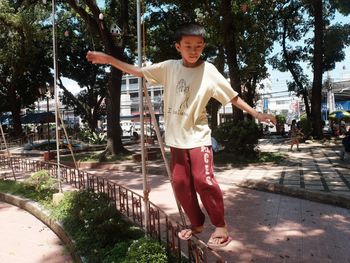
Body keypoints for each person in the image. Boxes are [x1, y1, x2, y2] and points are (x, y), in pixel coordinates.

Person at [86, 23, 276, 249]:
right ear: (178, 47)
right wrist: (108, 59)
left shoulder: (209, 71)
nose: (193, 50)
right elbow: (137, 71)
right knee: (180, 183)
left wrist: (256, 113)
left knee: (203, 180)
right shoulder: (169, 68)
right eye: (188, 46)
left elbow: (232, 97)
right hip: (176, 140)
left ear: (203, 46)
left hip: (198, 139)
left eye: (198, 46)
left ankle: (221, 227)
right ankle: (196, 224)